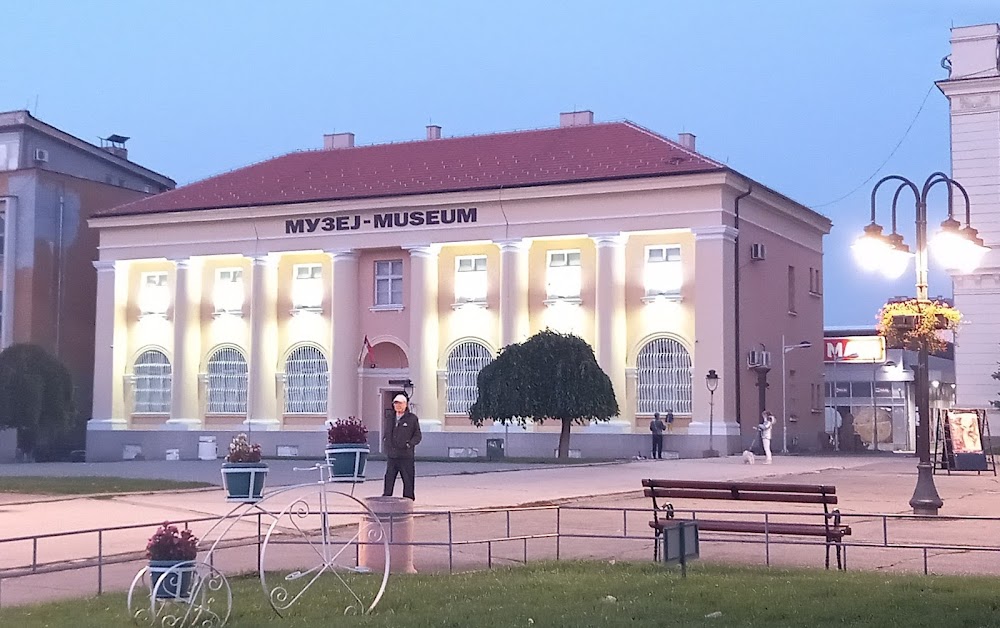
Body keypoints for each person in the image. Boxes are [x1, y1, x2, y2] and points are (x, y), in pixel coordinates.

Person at [382, 393, 422, 500]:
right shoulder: (390, 418)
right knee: (389, 478)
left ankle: (408, 501)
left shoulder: (412, 419)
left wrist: (409, 444)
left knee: (408, 480)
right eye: (395, 403)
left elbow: (417, 436)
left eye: (400, 403)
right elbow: (387, 432)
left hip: (406, 455)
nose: (397, 406)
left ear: (405, 404)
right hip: (392, 455)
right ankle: (386, 499)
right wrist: (386, 443)